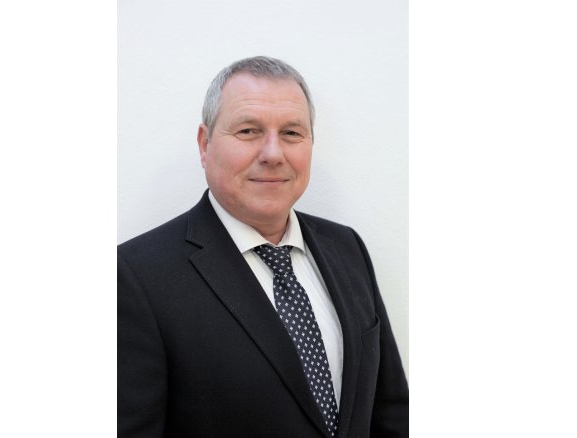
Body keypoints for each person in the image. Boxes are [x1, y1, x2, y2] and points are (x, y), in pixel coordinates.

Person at [118, 56, 408, 437]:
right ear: (205, 144)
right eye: (249, 131)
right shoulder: (136, 276)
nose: (273, 154)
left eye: (291, 133)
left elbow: (391, 412)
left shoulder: (346, 248)